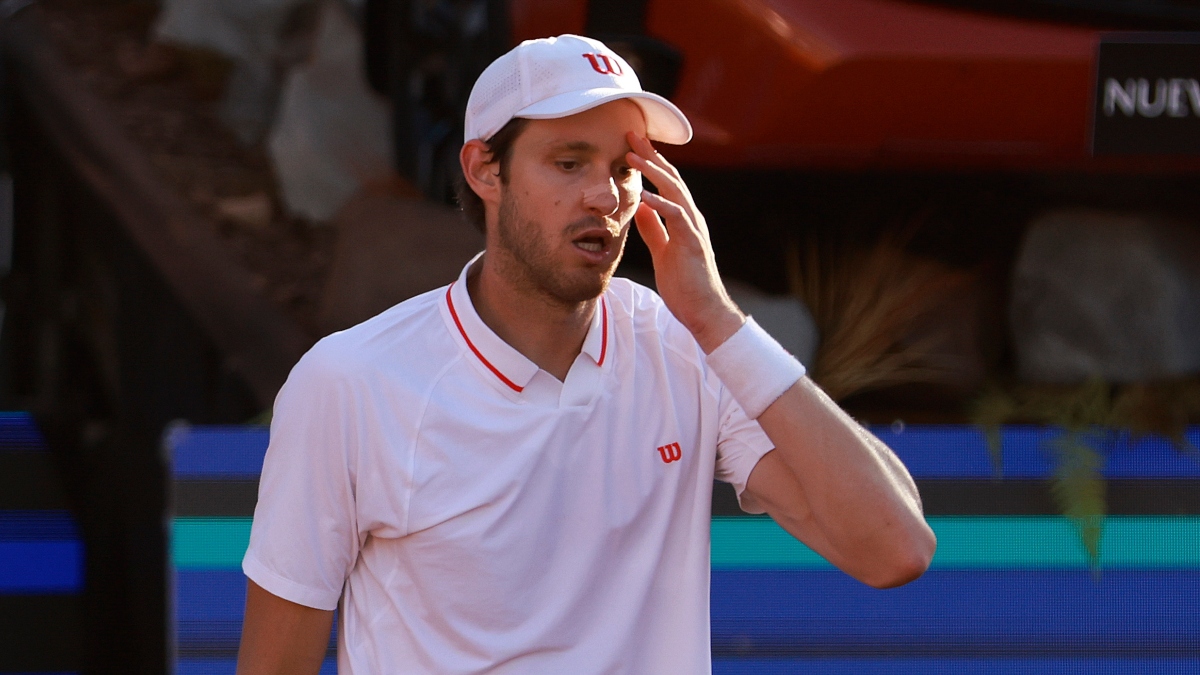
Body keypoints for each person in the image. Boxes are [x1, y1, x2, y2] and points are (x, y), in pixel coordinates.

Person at [236, 34, 935, 675]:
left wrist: (719, 320)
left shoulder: (688, 347)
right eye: (569, 162)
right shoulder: (349, 381)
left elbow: (895, 548)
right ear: (484, 169)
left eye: (627, 169)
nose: (605, 195)